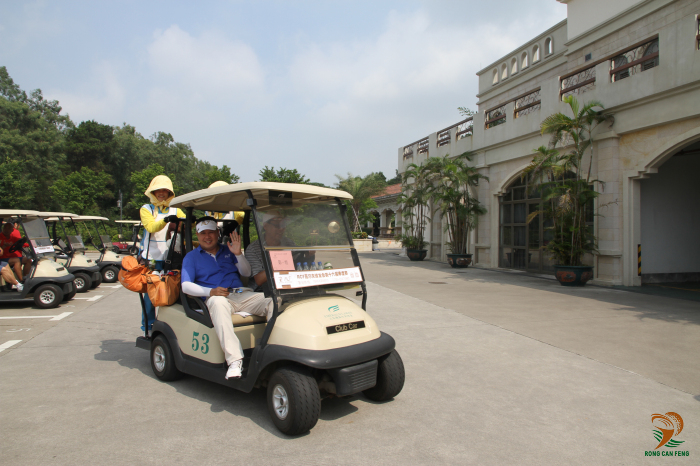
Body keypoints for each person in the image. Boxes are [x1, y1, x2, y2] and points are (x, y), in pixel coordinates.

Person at [181, 218, 274, 380]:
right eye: (203, 233)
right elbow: (186, 286)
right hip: (216, 297)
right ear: (197, 235)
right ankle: (235, 360)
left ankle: (272, 350)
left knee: (274, 301)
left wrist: (238, 254)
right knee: (218, 303)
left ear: (218, 233)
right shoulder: (191, 257)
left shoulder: (228, 250)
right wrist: (211, 292)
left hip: (241, 294)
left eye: (211, 232)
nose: (207, 236)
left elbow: (246, 273)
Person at [139, 175, 186, 333]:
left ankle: (169, 324)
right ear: (152, 192)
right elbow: (151, 227)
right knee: (150, 294)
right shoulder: (147, 208)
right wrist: (166, 220)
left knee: (172, 290)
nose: (161, 193)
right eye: (158, 190)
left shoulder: (176, 209)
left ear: (169, 193)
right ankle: (148, 327)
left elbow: (188, 224)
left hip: (170, 257)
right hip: (152, 259)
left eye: (165, 190)